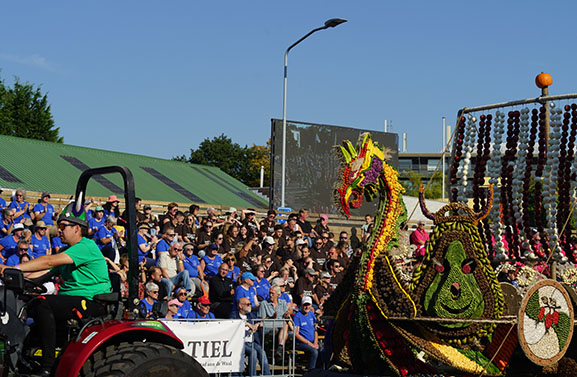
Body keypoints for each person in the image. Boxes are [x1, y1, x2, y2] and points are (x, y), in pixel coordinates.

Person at [0, 202, 111, 376]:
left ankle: (48, 365)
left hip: (89, 301)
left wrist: (13, 269)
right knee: (30, 305)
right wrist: (12, 277)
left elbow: (49, 261)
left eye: (62, 226)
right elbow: (42, 273)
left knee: (43, 303)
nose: (58, 230)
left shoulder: (85, 246)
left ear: (77, 228)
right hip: (69, 301)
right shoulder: (68, 251)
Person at [230, 297, 270, 377]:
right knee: (253, 352)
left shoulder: (250, 315)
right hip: (240, 342)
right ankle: (252, 375)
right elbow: (232, 326)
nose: (250, 306)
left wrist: (257, 325)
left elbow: (259, 321)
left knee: (262, 351)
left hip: (251, 341)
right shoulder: (234, 315)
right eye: (248, 304)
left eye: (250, 304)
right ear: (240, 306)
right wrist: (247, 324)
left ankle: (267, 375)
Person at [293, 296, 319, 371]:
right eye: (305, 305)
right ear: (301, 305)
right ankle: (311, 372)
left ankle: (320, 371)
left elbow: (315, 330)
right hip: (301, 343)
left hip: (312, 341)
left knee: (323, 350)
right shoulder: (297, 316)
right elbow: (296, 334)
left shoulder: (311, 315)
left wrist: (315, 342)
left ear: (311, 305)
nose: (307, 307)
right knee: (314, 352)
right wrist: (310, 344)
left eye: (308, 305)